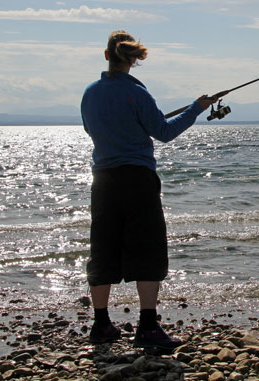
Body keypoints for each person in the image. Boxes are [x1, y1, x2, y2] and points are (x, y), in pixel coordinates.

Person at [80, 30, 216, 350]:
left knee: (103, 249)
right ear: (134, 60)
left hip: (103, 182)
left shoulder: (90, 93)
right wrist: (196, 107)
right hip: (137, 180)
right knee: (147, 249)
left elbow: (93, 129)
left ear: (106, 56)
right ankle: (147, 327)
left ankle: (100, 325)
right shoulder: (137, 94)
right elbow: (165, 132)